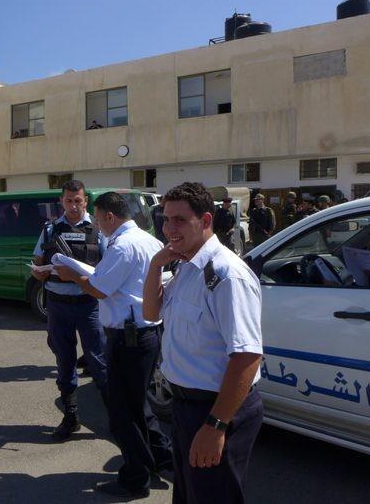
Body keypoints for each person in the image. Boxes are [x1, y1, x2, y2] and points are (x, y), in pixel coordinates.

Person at [143, 182, 263, 504]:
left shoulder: (226, 274)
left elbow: (247, 356)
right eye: (166, 220)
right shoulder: (186, 265)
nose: (169, 229)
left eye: (179, 220)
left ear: (206, 220)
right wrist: (155, 265)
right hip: (186, 407)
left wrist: (215, 425)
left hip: (215, 410)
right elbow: (151, 313)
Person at [56, 192, 172, 499]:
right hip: (147, 334)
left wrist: (72, 275)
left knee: (124, 412)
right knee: (139, 405)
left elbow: (99, 289)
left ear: (110, 216)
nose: (97, 224)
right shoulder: (149, 240)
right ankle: (161, 458)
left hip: (129, 338)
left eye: (98, 218)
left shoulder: (122, 245)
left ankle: (136, 478)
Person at [32, 180, 109, 441]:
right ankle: (71, 416)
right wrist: (39, 272)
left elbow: (109, 267)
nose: (73, 206)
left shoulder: (98, 230)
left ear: (85, 201)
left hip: (89, 305)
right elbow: (38, 260)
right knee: (64, 361)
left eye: (78, 201)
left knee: (98, 360)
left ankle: (116, 416)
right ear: (61, 202)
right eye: (68, 201)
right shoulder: (50, 230)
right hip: (58, 305)